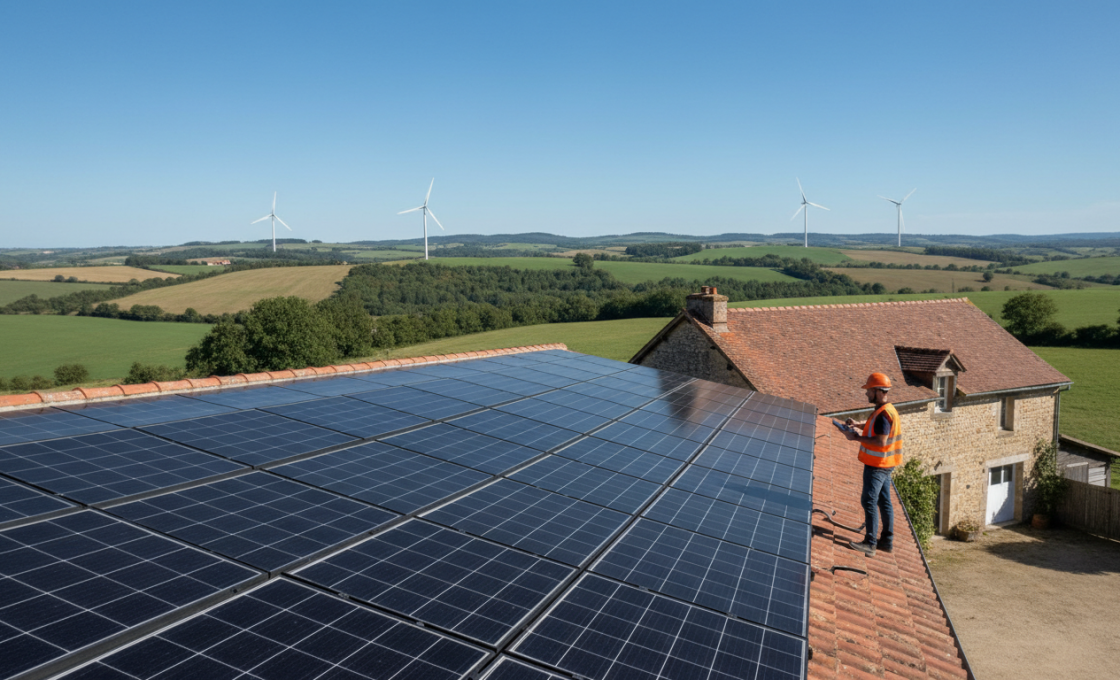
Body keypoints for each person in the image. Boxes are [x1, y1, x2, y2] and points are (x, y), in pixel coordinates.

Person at [842, 372, 903, 557]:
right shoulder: (887, 409)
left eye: (869, 390)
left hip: (877, 465)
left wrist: (855, 438)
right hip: (886, 464)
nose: (866, 393)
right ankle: (887, 541)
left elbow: (880, 441)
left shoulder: (883, 414)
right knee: (884, 501)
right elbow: (875, 427)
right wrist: (858, 425)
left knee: (869, 500)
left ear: (877, 391)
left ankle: (870, 543)